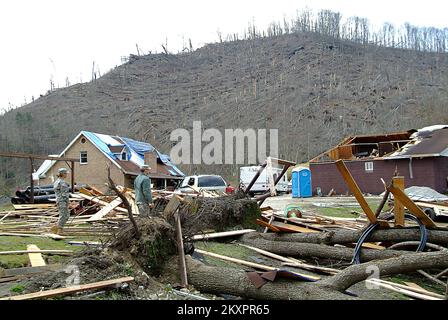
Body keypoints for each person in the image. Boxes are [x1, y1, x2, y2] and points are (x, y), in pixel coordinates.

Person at [51, 168, 71, 234]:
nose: (66, 175)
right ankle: (59, 230)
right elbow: (64, 194)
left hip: (60, 200)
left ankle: (59, 228)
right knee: (64, 215)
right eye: (65, 173)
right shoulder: (62, 182)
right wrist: (67, 201)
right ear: (62, 174)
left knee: (65, 215)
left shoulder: (57, 181)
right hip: (62, 201)